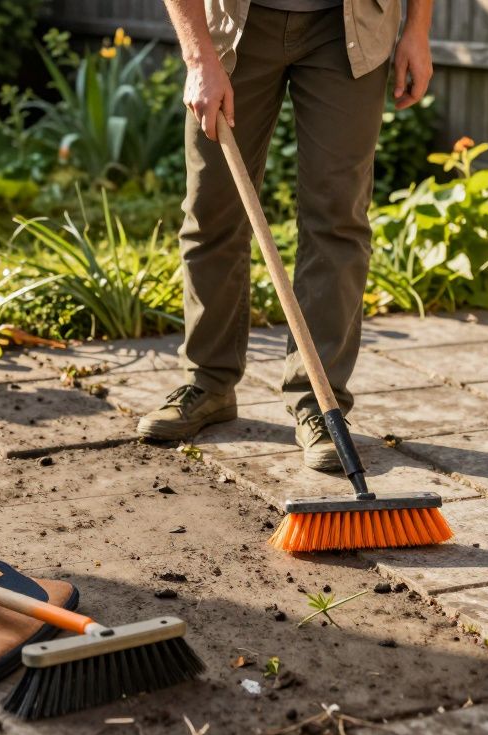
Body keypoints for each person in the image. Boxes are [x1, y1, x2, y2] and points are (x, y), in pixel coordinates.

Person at [144, 0, 433, 470]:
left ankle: (320, 401)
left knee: (337, 219)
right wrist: (199, 58)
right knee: (213, 211)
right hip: (237, 26)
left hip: (350, 27)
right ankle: (209, 383)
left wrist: (417, 30)